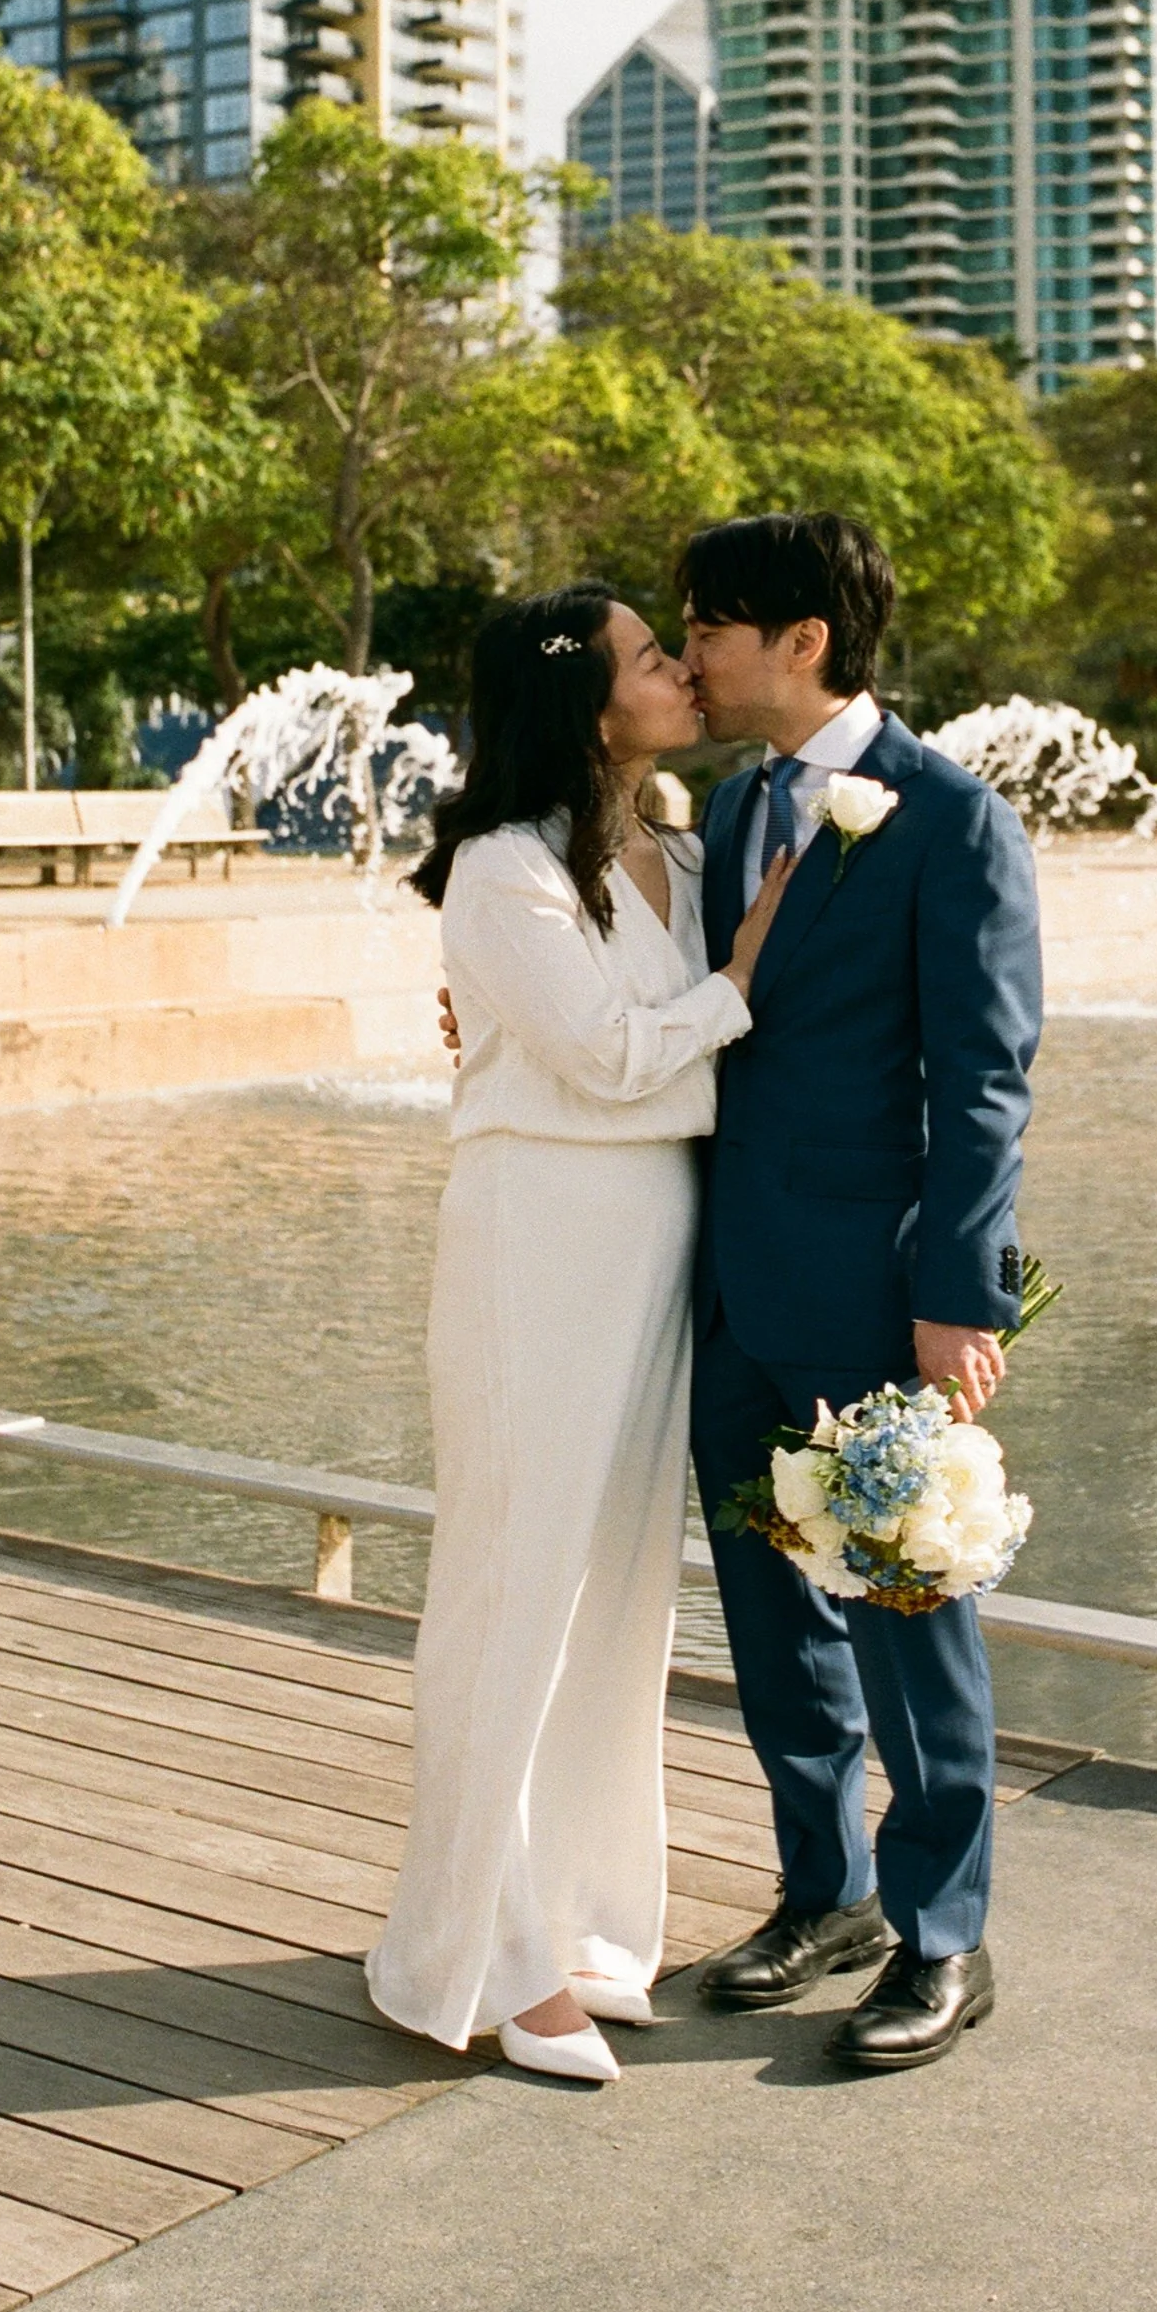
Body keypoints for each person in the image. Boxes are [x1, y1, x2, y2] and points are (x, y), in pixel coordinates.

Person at [365, 584, 794, 2086]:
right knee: (517, 1590)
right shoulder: (500, 866)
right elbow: (608, 1056)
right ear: (584, 699)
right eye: (648, 655)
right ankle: (489, 1954)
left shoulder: (677, 844)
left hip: (651, 1247)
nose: (681, 668)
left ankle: (587, 1923)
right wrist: (735, 985)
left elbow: (649, 1058)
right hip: (533, 1245)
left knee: (617, 1601)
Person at [681, 511, 1043, 2073]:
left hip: (879, 1291)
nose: (688, 648)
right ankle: (823, 1890)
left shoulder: (955, 821)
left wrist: (957, 1296)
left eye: (710, 622)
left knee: (909, 1601)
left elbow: (983, 1076)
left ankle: (945, 1930)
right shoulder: (730, 804)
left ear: (804, 639)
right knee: (771, 1608)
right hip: (731, 1281)